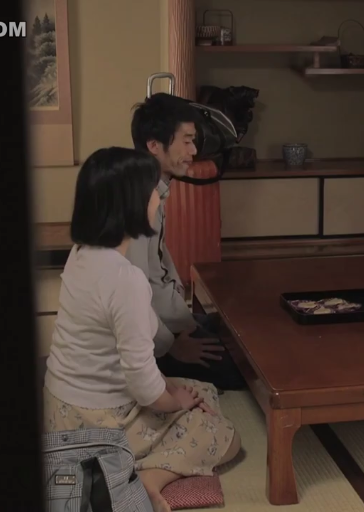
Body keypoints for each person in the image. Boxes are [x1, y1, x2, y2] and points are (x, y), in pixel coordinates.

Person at [42, 147, 241, 512]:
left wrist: (172, 389)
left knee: (203, 391)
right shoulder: (124, 278)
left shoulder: (81, 253)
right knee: (224, 435)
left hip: (60, 410)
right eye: (152, 190)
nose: (159, 197)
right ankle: (148, 480)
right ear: (131, 203)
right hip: (101, 419)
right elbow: (141, 379)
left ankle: (108, 466)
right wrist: (173, 402)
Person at [127, 92, 245, 391]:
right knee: (248, 372)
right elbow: (132, 297)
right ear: (154, 145)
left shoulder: (154, 189)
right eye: (187, 141)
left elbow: (160, 273)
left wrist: (185, 323)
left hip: (169, 320)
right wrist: (172, 345)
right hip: (151, 340)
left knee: (243, 337)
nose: (194, 150)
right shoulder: (138, 201)